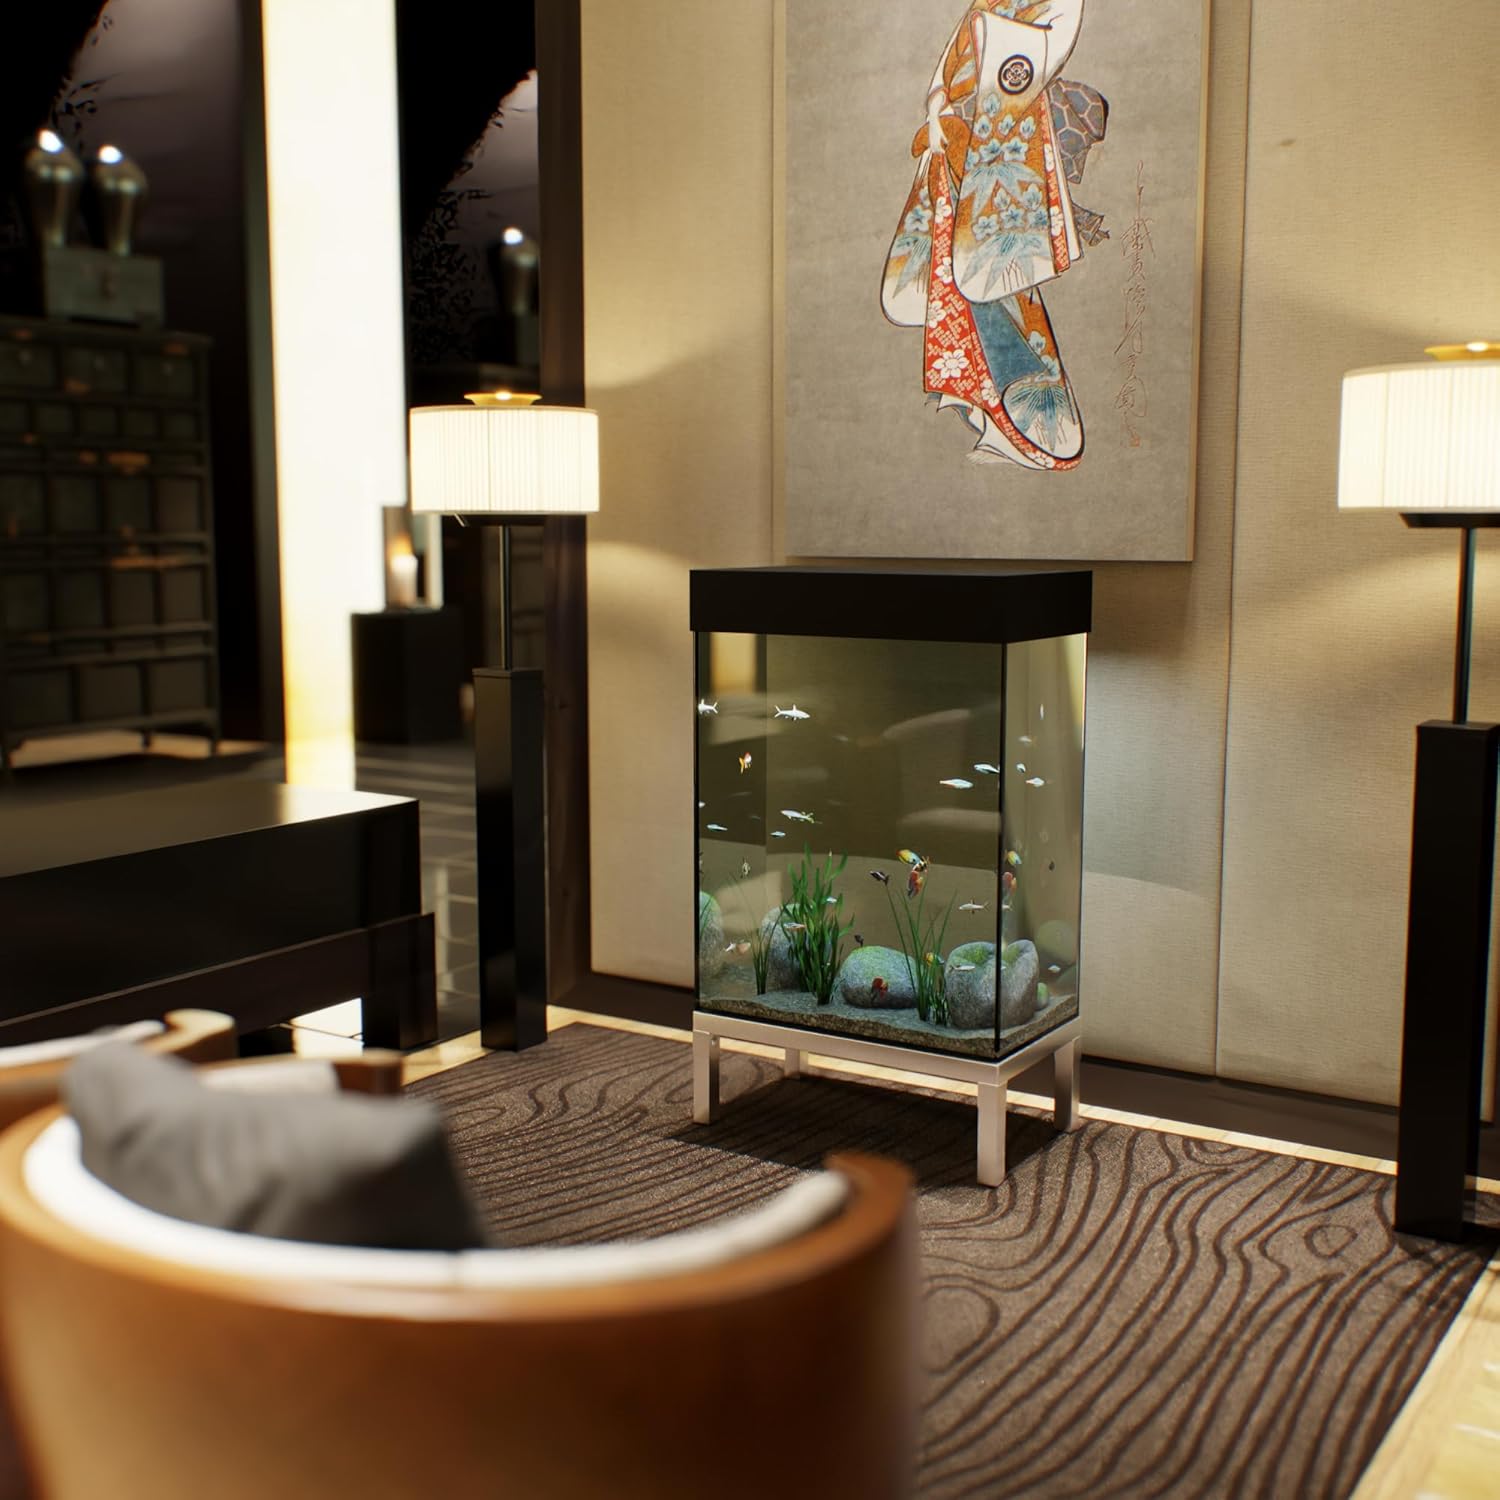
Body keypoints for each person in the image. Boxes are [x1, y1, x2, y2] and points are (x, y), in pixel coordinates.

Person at [882, 0, 1105, 471]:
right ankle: (975, 403)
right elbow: (951, 58)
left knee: (1001, 279)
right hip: (956, 144)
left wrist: (993, 33)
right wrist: (937, 108)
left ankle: (1028, 420)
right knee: (951, 274)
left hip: (1001, 147)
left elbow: (1038, 56)